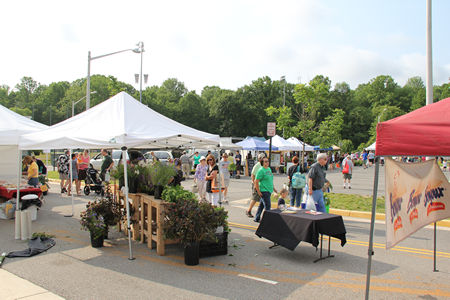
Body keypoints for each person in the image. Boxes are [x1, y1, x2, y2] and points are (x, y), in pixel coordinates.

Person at [254, 157, 278, 223]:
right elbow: (256, 181)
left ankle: (257, 218)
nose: (267, 163)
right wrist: (258, 191)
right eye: (265, 161)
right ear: (262, 163)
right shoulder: (261, 170)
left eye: (267, 161)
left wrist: (274, 188)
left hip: (269, 190)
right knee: (267, 206)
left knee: (261, 206)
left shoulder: (269, 169)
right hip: (264, 191)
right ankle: (266, 221)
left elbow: (270, 180)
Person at [246, 153, 266, 218]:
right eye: (262, 158)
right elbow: (252, 175)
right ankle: (249, 210)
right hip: (256, 184)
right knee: (254, 198)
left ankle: (260, 215)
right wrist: (254, 184)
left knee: (262, 200)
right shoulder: (257, 165)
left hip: (262, 185)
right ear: (260, 159)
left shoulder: (264, 165)